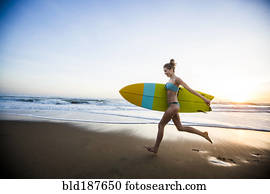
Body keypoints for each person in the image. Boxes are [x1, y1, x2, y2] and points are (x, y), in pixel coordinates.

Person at [145, 59, 213, 154]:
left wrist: (204, 99)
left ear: (171, 69)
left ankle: (155, 148)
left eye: (166, 71)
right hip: (172, 106)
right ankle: (203, 134)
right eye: (164, 71)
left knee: (161, 125)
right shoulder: (169, 80)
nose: (165, 73)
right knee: (180, 127)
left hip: (173, 106)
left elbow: (190, 90)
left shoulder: (177, 79)